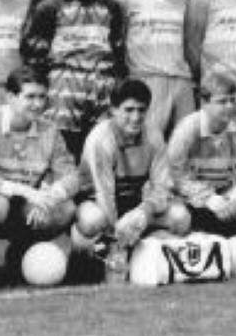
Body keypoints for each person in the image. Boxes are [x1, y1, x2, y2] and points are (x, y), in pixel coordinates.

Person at [23, 0, 125, 160]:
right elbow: (32, 57)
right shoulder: (49, 6)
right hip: (64, 95)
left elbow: (118, 52)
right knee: (62, 156)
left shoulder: (111, 6)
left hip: (102, 93)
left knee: (101, 154)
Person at [75, 80, 187, 270]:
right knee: (93, 220)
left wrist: (145, 211)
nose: (136, 117)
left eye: (141, 110)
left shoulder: (154, 136)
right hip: (96, 204)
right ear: (113, 110)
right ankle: (82, 246)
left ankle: (142, 248)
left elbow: (162, 187)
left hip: (133, 205)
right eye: (128, 110)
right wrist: (118, 238)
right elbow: (104, 196)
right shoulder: (100, 140)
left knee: (180, 217)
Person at [0, 68, 79, 253]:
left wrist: (49, 199)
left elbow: (72, 176)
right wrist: (25, 191)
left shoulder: (50, 130)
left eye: (42, 97)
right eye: (30, 97)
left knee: (66, 209)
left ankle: (21, 250)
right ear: (10, 97)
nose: (38, 104)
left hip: (29, 201)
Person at [114, 0, 194, 138]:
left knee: (187, 144)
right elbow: (117, 42)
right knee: (149, 143)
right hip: (147, 79)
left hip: (181, 80)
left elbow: (187, 42)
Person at [163, 73, 236, 240]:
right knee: (179, 216)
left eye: (233, 100)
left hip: (223, 191)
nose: (230, 106)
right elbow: (176, 176)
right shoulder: (186, 129)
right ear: (204, 103)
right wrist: (207, 197)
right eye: (222, 101)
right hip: (189, 196)